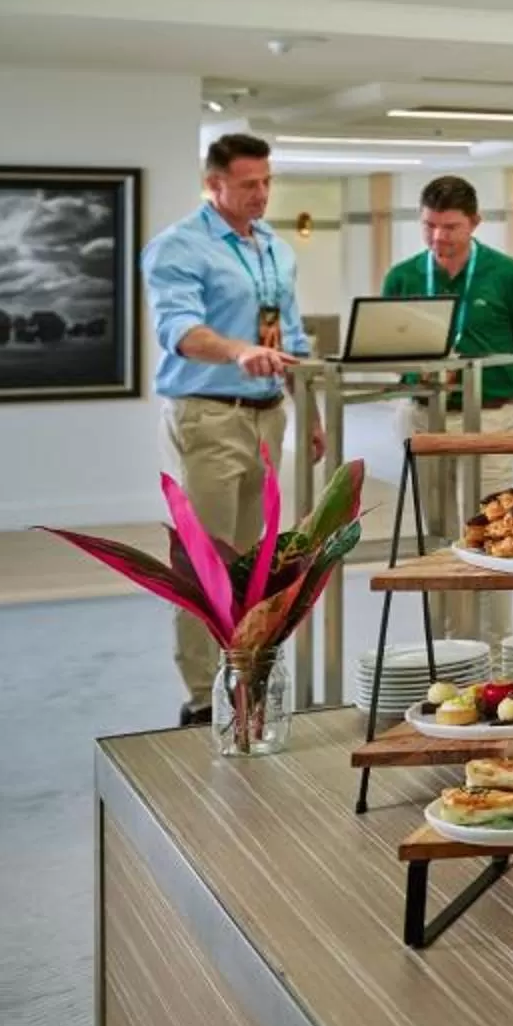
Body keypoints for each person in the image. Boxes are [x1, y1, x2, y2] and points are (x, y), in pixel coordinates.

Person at [140, 133, 313, 726]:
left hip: (268, 414)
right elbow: (180, 331)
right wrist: (237, 351)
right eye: (248, 185)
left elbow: (289, 335)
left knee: (252, 564)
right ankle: (199, 695)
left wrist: (307, 408)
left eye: (266, 182)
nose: (261, 194)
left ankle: (245, 677)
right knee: (205, 561)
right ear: (213, 184)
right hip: (208, 413)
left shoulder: (274, 249)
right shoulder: (178, 248)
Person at [384, 174, 513, 638]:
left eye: (451, 227)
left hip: (492, 420)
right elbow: (386, 349)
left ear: (475, 223)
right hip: (424, 418)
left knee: (492, 532)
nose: (439, 237)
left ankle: (495, 649)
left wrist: (496, 385)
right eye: (430, 226)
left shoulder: (509, 276)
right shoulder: (402, 277)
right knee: (436, 533)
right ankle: (444, 645)